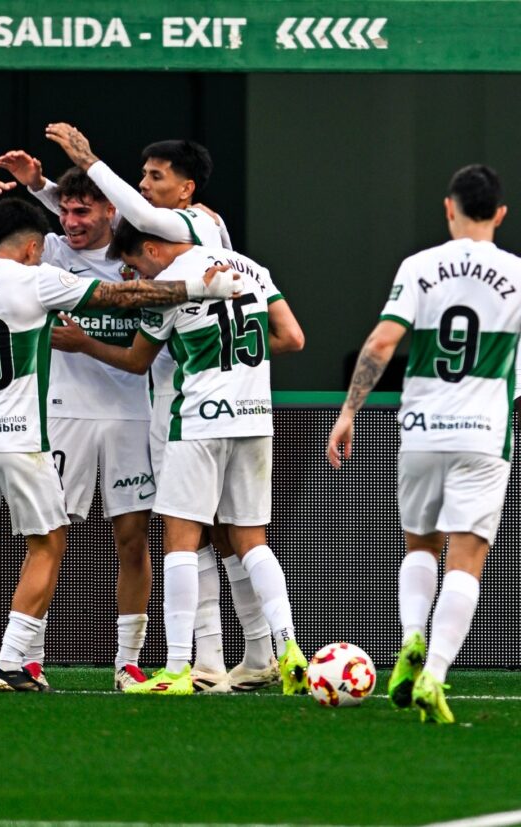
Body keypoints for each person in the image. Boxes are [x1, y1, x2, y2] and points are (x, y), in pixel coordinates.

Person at [0, 196, 240, 692]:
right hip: (31, 431)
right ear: (32, 248)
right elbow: (117, 298)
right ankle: (16, 660)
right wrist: (199, 286)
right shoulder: (39, 276)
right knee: (48, 541)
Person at [41, 125, 283, 692]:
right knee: (234, 535)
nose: (144, 187)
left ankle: (198, 664)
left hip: (186, 407)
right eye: (143, 175)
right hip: (242, 407)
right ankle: (258, 653)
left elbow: (123, 214)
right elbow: (289, 336)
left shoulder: (186, 230)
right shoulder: (226, 246)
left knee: (189, 535)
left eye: (155, 177)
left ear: (186, 190)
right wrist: (47, 188)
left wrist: (89, 158)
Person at [326, 164, 521, 723]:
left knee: (420, 546)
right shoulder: (516, 273)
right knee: (468, 554)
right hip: (483, 434)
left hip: (420, 431)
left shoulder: (420, 266)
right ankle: (434, 671)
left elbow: (383, 340)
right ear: (500, 214)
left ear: (448, 208)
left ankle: (411, 639)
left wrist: (347, 412)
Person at [0, 168, 155, 692]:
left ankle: (128, 663)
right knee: (48, 535)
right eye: (63, 210)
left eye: (81, 212)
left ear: (110, 211)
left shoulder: (136, 253)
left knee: (132, 541)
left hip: (129, 414)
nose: (69, 223)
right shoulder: (45, 250)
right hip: (63, 412)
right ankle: (28, 656)